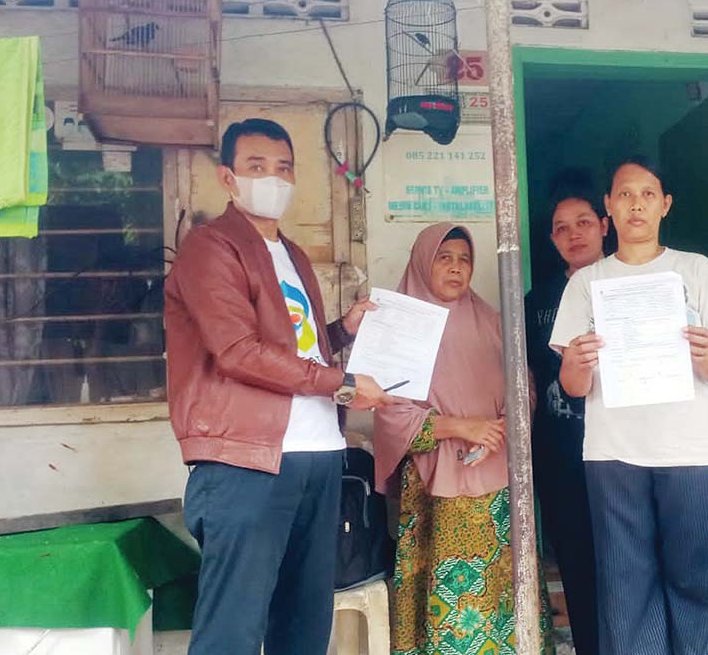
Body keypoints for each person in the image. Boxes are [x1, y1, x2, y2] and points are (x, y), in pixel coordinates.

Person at [165, 118, 391, 655]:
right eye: (256, 166)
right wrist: (342, 385)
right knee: (233, 630)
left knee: (304, 622)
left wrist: (341, 332)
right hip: (248, 459)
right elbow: (238, 351)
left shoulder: (291, 255)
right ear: (227, 178)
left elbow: (294, 350)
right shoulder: (210, 248)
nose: (273, 178)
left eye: (283, 168)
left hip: (319, 455)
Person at [550, 156, 708, 655]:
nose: (636, 204)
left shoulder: (694, 270)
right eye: (624, 194)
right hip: (614, 451)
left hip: (692, 448)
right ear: (609, 207)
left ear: (665, 205)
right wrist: (578, 361)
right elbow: (573, 385)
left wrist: (705, 353)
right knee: (626, 585)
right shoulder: (586, 282)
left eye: (647, 194)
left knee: (699, 579)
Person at [374, 223, 551, 655]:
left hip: (498, 487)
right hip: (436, 489)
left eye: (464, 259)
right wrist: (461, 427)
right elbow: (388, 410)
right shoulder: (398, 328)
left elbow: (524, 386)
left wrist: (501, 428)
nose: (456, 268)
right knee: (448, 599)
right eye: (444, 258)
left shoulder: (493, 322)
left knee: (505, 594)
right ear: (422, 263)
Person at [525, 177, 607, 655]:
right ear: (552, 239)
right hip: (561, 454)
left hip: (623, 449)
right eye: (561, 227)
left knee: (628, 558)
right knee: (576, 560)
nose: (574, 234)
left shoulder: (628, 284)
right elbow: (527, 378)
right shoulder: (536, 302)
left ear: (604, 225)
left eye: (583, 222)